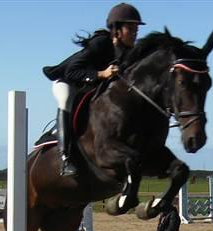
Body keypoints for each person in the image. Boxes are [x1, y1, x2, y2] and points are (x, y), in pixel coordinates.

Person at [42, 3, 145, 176]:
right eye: (131, 28)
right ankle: (65, 158)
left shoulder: (129, 52)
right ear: (116, 30)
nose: (135, 33)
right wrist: (101, 73)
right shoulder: (100, 43)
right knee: (65, 99)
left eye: (136, 29)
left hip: (92, 87)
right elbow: (72, 71)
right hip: (69, 81)